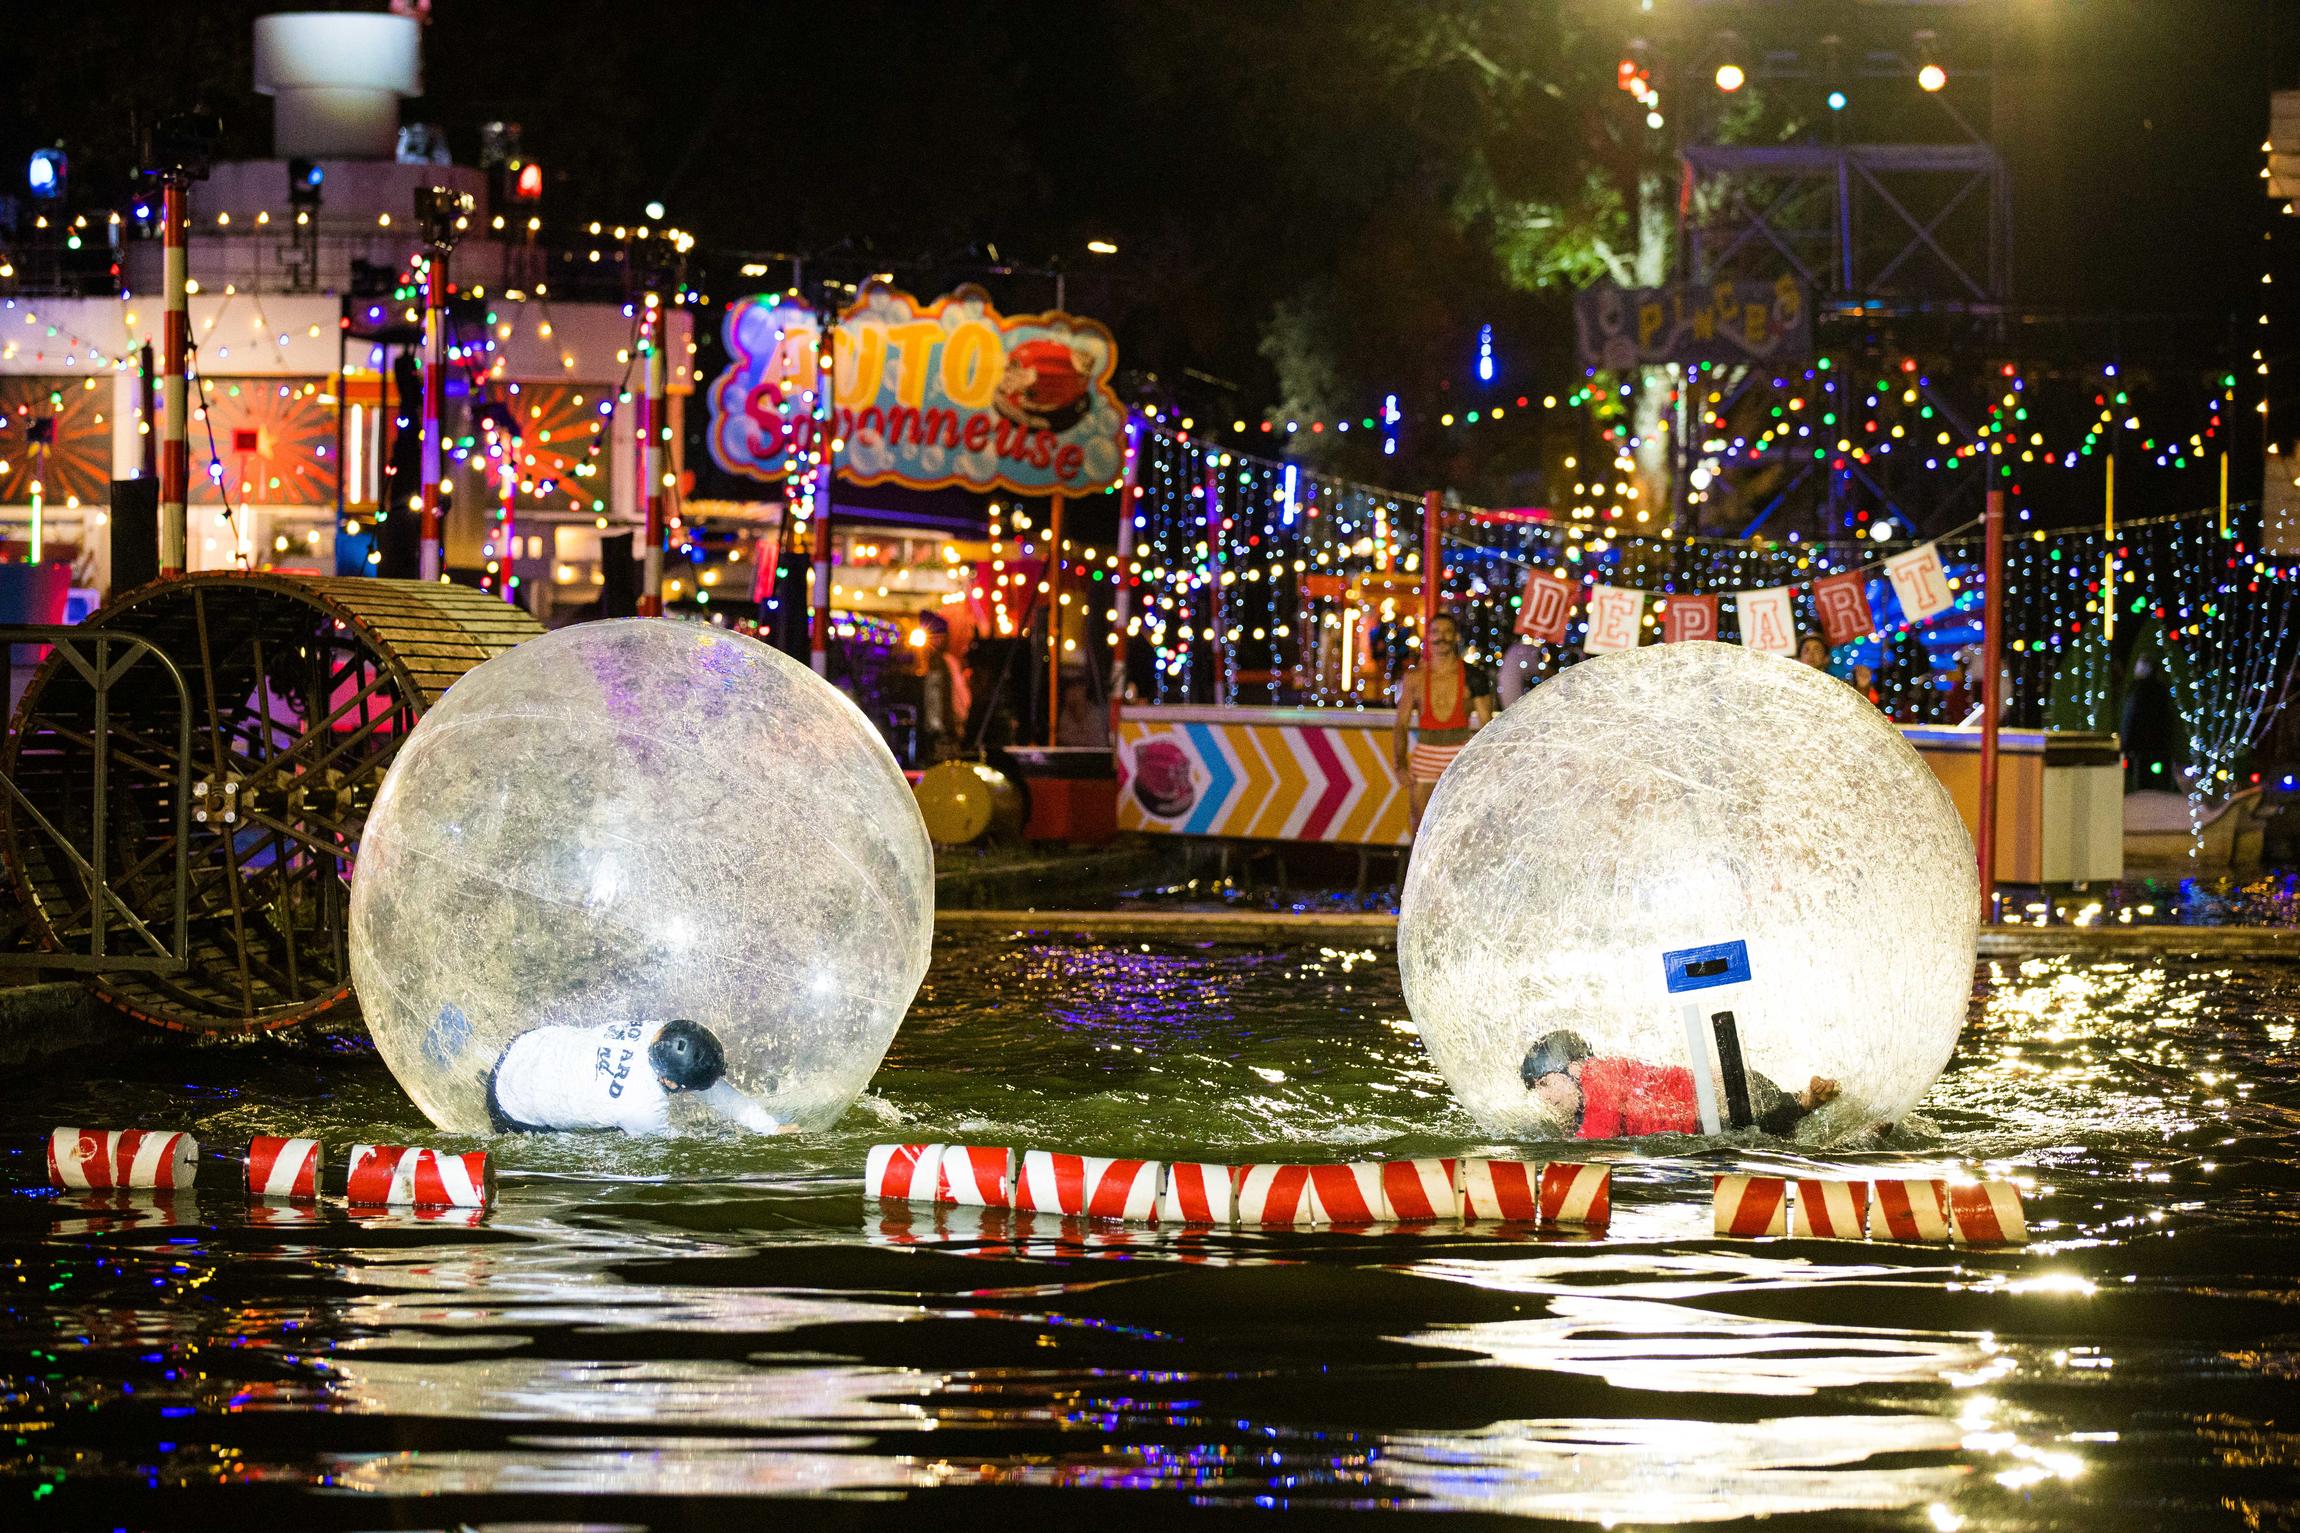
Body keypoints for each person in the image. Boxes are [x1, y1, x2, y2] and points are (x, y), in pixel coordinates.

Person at [486, 1017, 788, 1135]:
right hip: (509, 1107)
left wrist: (771, 1128)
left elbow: (715, 1091)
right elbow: (679, 1146)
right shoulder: (642, 1106)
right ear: (670, 1083)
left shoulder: (656, 1031)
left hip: (527, 1043)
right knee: (606, 1137)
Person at [1520, 1028, 1839, 1140]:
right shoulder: (1595, 1085)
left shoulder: (1597, 1076)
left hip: (1729, 1100)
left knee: (1762, 1127)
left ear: (1574, 1067)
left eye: (1547, 1083)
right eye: (1538, 1090)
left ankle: (1804, 1102)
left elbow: (1594, 1139)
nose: (1545, 1097)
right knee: (1781, 1137)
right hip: (1730, 1093)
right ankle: (1807, 1106)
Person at [1392, 612, 1496, 829]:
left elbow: (1489, 727)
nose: (1441, 637)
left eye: (1447, 632)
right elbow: (1400, 724)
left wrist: (1486, 766)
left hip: (1458, 758)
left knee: (1460, 830)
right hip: (1425, 758)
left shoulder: (1473, 676)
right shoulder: (1415, 678)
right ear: (1427, 637)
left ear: (1456, 636)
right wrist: (1399, 764)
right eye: (1435, 632)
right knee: (1422, 831)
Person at [916, 611, 972, 763]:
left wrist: (954, 723)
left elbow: (946, 697)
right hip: (942, 730)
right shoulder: (939, 662)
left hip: (943, 732)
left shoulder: (944, 663)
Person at [1496, 628, 1549, 709]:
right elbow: (1544, 672)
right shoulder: (1526, 651)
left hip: (1507, 701)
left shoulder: (1514, 649)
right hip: (1516, 703)